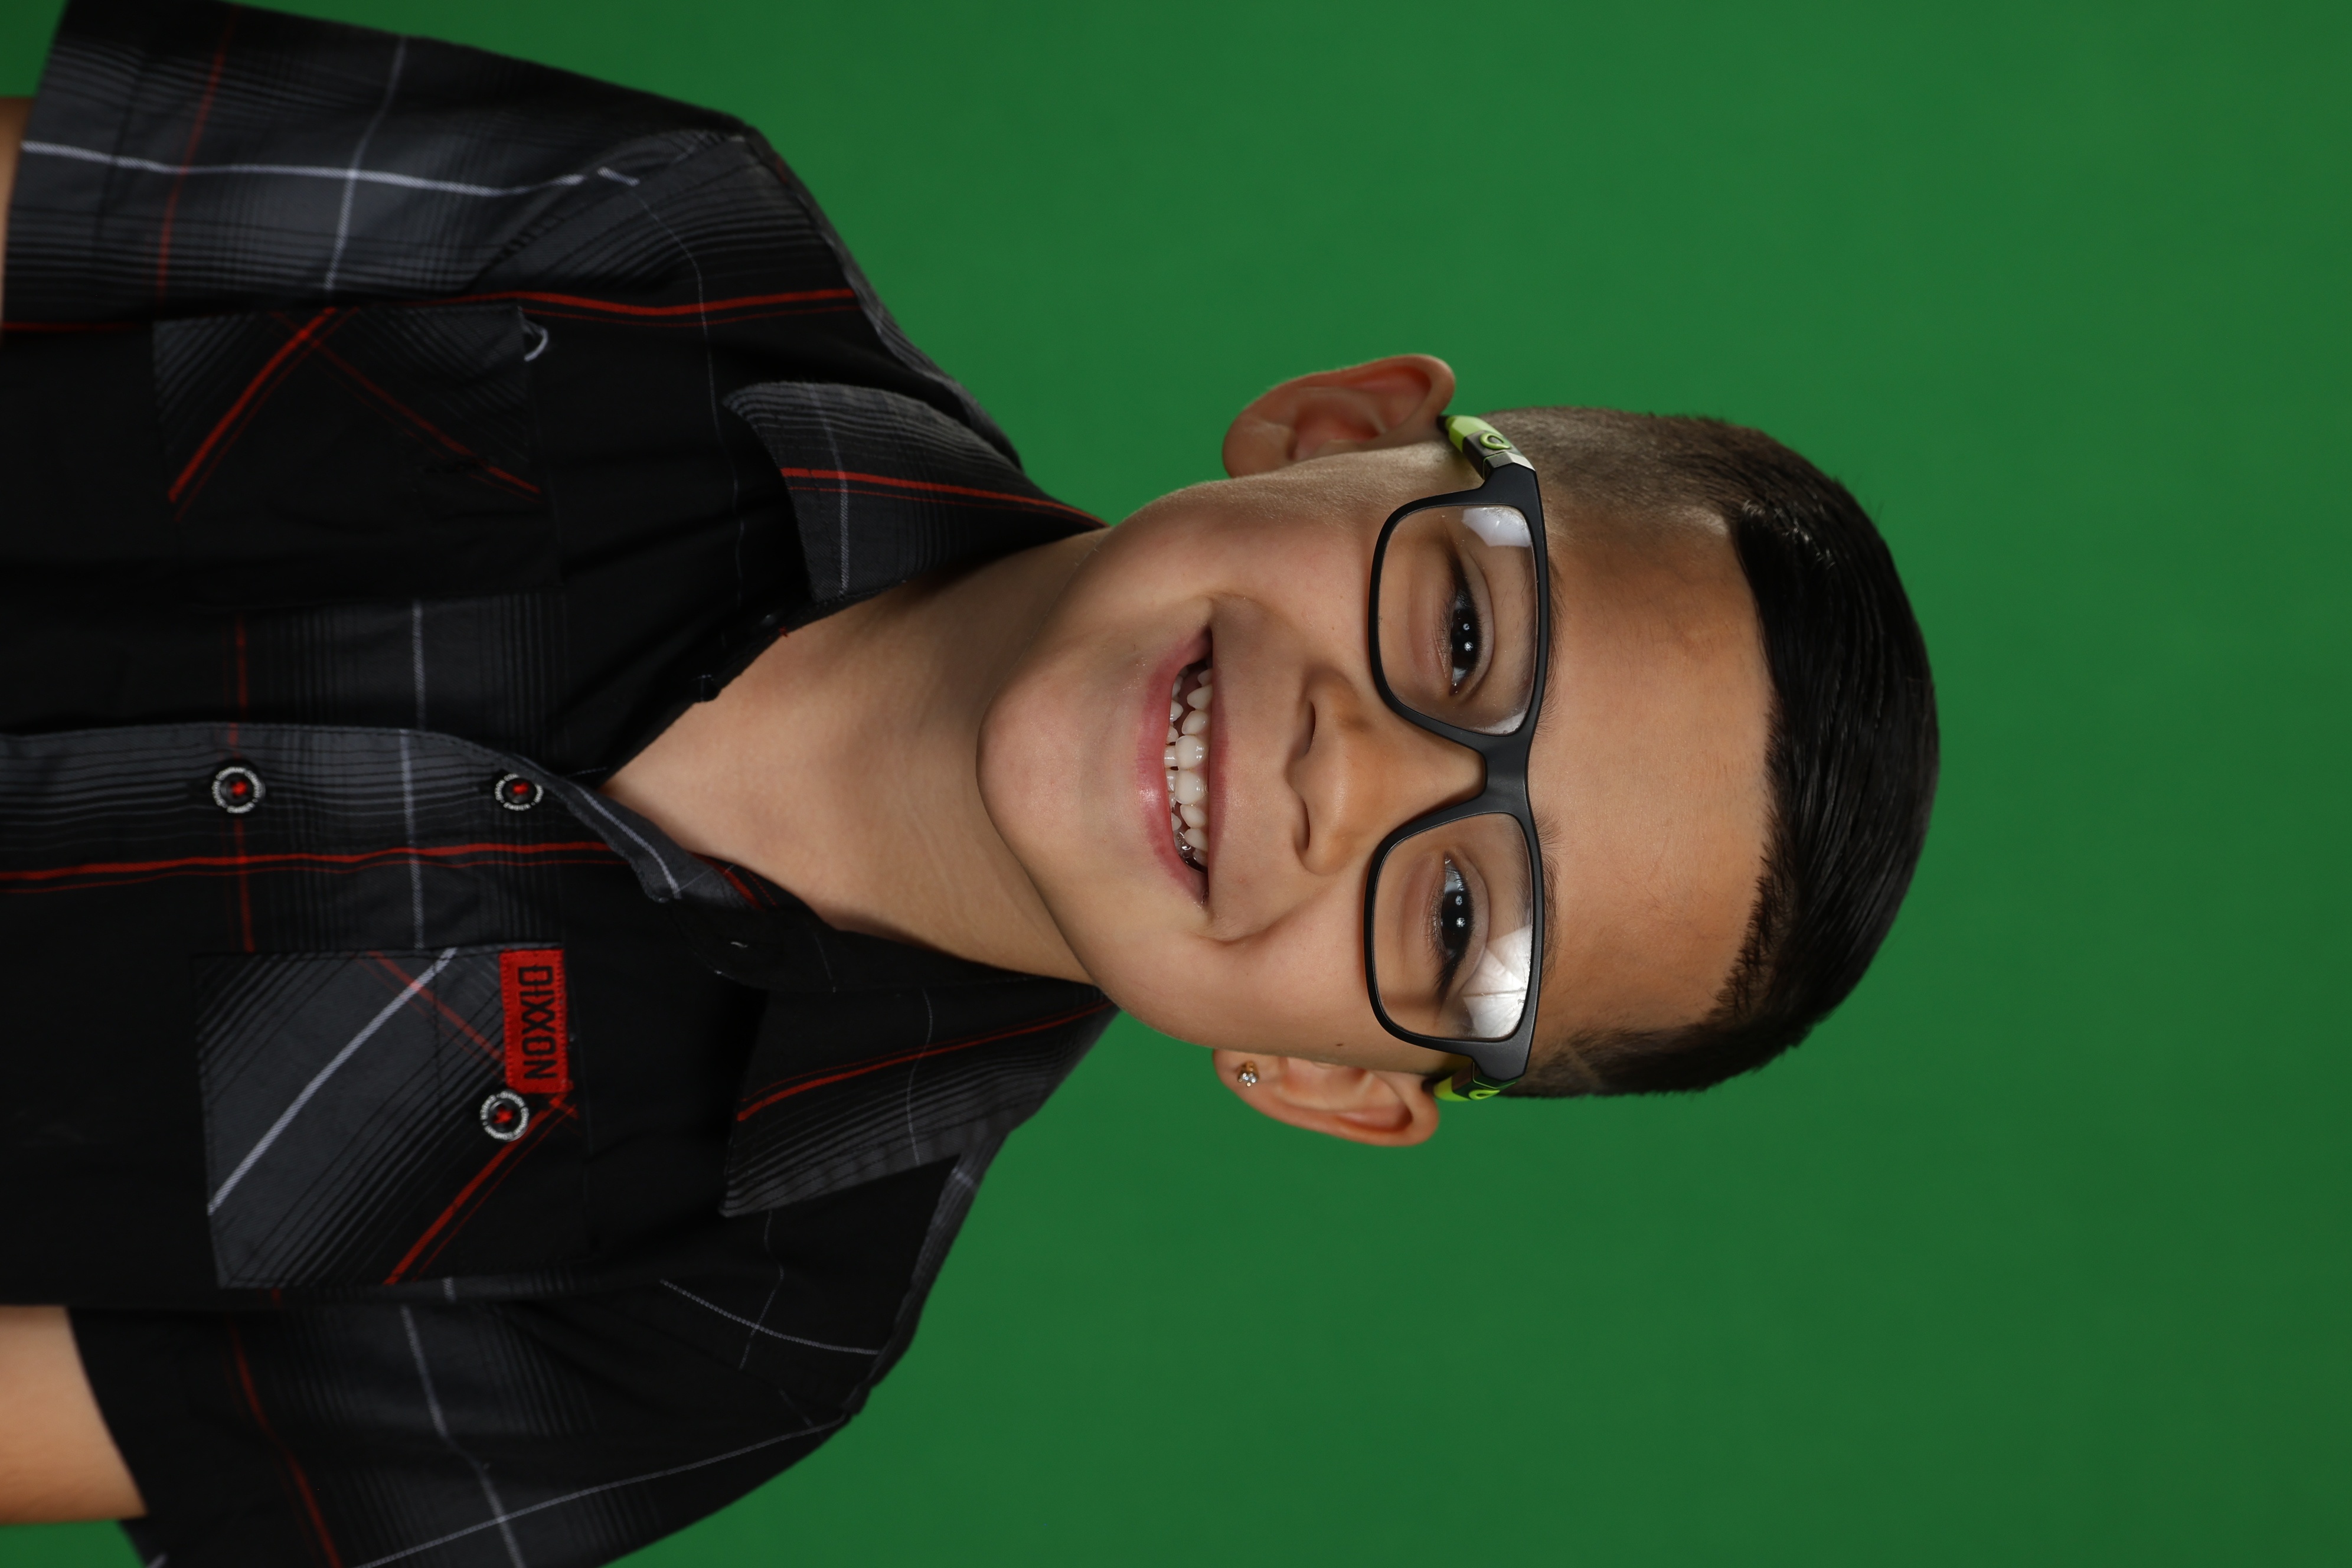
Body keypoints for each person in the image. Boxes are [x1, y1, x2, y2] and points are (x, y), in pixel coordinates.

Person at [0, 0, 1938, 1562]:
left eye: (1456, 918)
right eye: (1459, 634)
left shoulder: (727, 1331)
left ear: (1329, 1078)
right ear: (1335, 429)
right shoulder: (644, 236)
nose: (1348, 776)